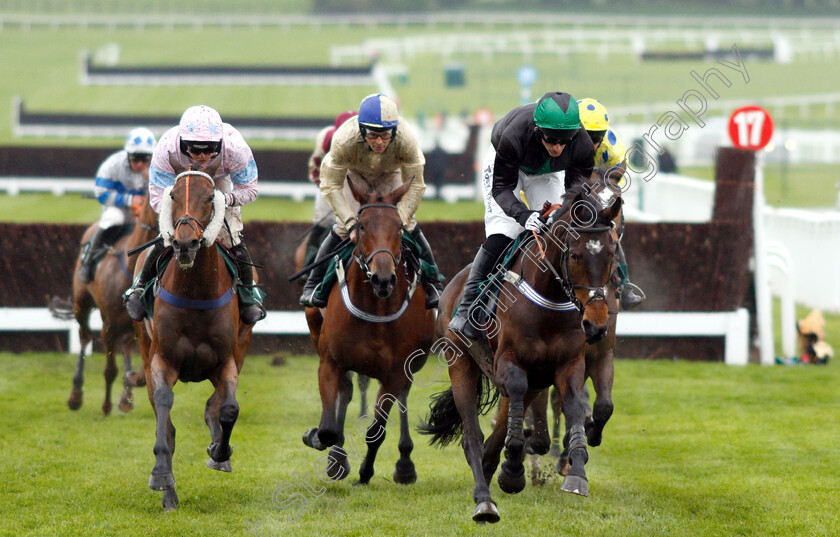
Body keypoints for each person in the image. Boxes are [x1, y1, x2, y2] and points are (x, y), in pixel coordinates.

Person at [448, 91, 595, 342]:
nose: (558, 148)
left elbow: (574, 195)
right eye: (551, 140)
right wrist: (523, 215)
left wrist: (559, 215)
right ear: (539, 131)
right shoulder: (513, 135)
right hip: (507, 168)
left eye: (565, 141)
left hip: (545, 173)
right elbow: (502, 189)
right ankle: (467, 308)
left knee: (560, 230)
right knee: (503, 233)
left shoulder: (582, 146)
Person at [299, 93, 444, 310]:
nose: (379, 142)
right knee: (340, 227)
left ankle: (434, 284)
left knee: (410, 225)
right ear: (361, 129)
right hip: (354, 175)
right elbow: (330, 185)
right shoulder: (344, 139)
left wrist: (401, 219)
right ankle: (313, 285)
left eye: (385, 136)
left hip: (390, 176)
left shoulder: (406, 139)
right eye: (373, 135)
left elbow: (416, 185)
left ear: (394, 130)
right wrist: (350, 223)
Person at [123, 105, 264, 325]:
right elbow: (158, 197)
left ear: (220, 143)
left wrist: (222, 201)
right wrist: (179, 219)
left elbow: (250, 190)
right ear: (181, 143)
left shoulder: (236, 148)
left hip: (219, 183)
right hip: (179, 185)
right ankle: (140, 286)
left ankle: (248, 297)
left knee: (232, 236)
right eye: (194, 149)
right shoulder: (167, 148)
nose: (201, 155)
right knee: (169, 236)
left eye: (209, 149)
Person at [577, 97, 645, 310]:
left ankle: (624, 286)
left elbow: (618, 175)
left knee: (608, 231)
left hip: (604, 184)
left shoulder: (612, 148)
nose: (593, 143)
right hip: (571, 184)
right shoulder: (564, 141)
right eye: (587, 136)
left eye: (597, 137)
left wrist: (596, 180)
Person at [77, 127, 156, 284]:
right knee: (113, 219)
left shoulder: (156, 168)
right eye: (136, 158)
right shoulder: (113, 165)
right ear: (128, 154)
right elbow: (101, 193)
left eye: (145, 159)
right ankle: (88, 260)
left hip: (144, 212)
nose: (140, 164)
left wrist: (150, 179)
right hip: (118, 209)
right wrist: (129, 200)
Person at [303, 110, 357, 267]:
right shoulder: (326, 138)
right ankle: (309, 266)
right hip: (328, 182)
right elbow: (315, 165)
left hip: (354, 184)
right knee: (323, 221)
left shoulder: (364, 140)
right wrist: (324, 187)